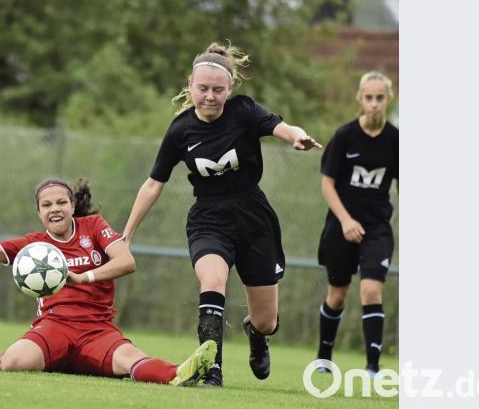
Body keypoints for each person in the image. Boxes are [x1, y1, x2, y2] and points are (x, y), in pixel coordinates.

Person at [121, 42, 322, 387]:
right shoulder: (180, 130)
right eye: (203, 89)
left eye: (218, 89)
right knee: (212, 281)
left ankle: (256, 335)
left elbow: (281, 127)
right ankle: (210, 368)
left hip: (253, 217)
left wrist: (296, 137)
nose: (210, 96)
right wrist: (126, 234)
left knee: (266, 321)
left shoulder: (243, 111)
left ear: (229, 90)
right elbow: (154, 184)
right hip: (209, 219)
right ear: (190, 86)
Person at [0, 178, 217, 385]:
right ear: (39, 213)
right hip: (54, 326)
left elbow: (127, 261)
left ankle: (182, 372)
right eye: (46, 205)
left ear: (73, 206)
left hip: (97, 329)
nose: (55, 209)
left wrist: (81, 277)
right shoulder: (32, 246)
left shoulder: (93, 227)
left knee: (135, 362)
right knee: (11, 363)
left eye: (61, 202)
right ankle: (69, 360)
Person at [314, 71, 398, 376]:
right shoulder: (345, 136)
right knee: (337, 294)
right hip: (341, 226)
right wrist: (346, 220)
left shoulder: (395, 140)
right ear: (360, 99)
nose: (374, 103)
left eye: (380, 98)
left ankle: (373, 367)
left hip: (377, 230)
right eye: (369, 97)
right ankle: (324, 357)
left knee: (371, 291)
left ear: (389, 99)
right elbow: (327, 185)